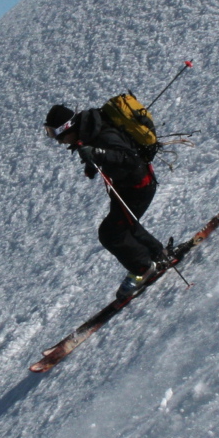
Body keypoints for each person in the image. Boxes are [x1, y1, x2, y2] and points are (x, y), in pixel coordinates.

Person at [44, 102, 168, 298]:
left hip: (138, 187)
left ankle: (143, 269)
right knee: (126, 224)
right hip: (125, 187)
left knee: (111, 233)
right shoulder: (88, 131)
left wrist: (97, 154)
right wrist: (93, 163)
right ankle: (157, 254)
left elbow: (131, 158)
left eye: (56, 135)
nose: (59, 142)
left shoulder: (102, 134)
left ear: (67, 128)